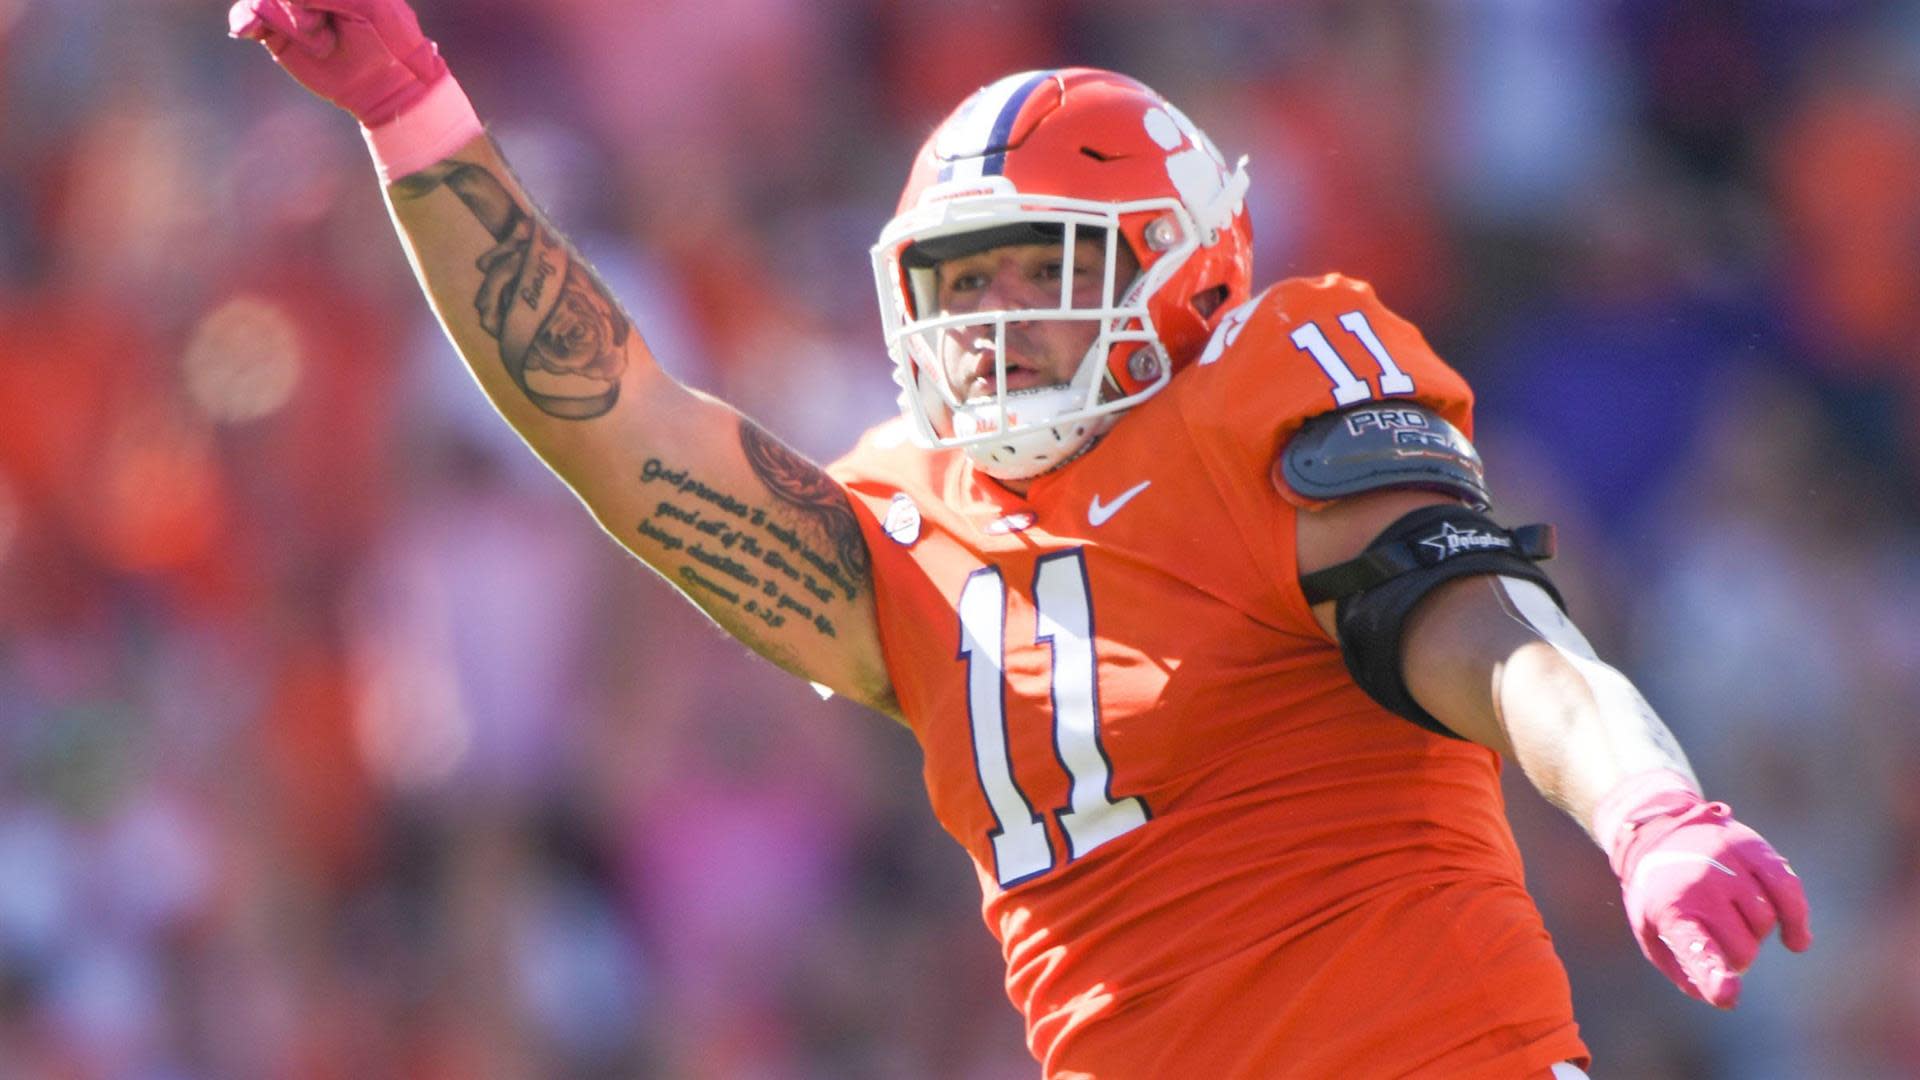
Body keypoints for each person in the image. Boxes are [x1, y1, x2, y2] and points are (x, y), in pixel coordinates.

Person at [229, 3, 1814, 1076]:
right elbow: (611, 420)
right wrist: (412, 112)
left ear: (1181, 265)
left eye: (1028, 267)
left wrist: (1647, 809)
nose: (983, 320)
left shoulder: (1268, 392)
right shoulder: (911, 528)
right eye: (954, 282)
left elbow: (1493, 635)